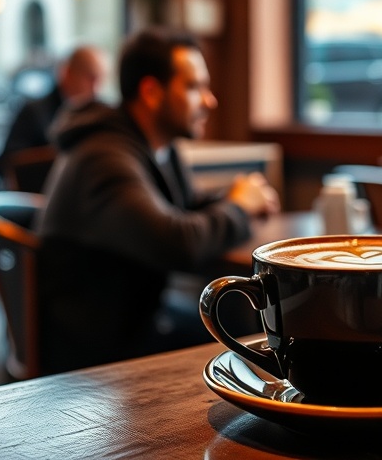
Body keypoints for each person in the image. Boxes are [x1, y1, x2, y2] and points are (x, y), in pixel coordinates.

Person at [35, 27, 279, 374]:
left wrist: (235, 198)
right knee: (242, 335)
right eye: (194, 87)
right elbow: (178, 242)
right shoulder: (104, 156)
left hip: (133, 317)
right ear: (151, 92)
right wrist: (238, 207)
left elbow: (180, 209)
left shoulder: (158, 149)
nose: (210, 101)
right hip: (97, 349)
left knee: (240, 324)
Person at [0, 46, 107, 190]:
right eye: (90, 78)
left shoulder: (97, 114)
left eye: (100, 80)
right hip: (37, 199)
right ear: (66, 73)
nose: (96, 88)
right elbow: (5, 162)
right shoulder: (34, 111)